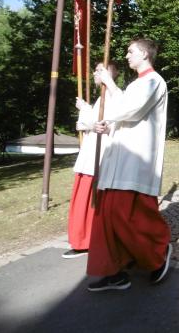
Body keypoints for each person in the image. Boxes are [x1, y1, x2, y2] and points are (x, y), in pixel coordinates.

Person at [86, 38, 172, 292]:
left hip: (136, 159)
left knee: (128, 215)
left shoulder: (154, 81)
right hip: (118, 158)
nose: (126, 56)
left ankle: (158, 252)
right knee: (107, 217)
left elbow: (132, 110)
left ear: (145, 54)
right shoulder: (136, 83)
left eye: (131, 51)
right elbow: (121, 107)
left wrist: (109, 84)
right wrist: (106, 123)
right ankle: (113, 271)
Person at [63, 62, 118, 259]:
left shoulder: (114, 96)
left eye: (99, 70)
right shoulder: (99, 99)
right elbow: (87, 125)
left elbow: (115, 124)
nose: (95, 73)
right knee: (84, 198)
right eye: (95, 70)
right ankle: (82, 238)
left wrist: (98, 123)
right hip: (89, 154)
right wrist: (86, 109)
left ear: (110, 73)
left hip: (101, 156)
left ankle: (87, 240)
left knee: (93, 200)